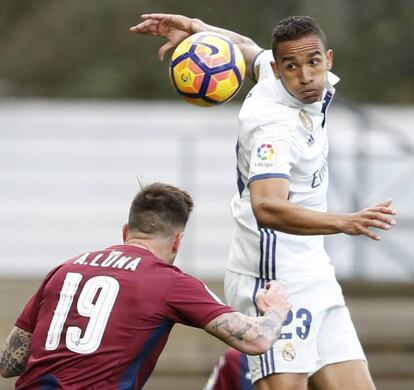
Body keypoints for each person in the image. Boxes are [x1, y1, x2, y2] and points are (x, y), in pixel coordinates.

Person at [131, 14, 397, 390]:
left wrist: (195, 28)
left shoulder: (288, 80)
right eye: (292, 66)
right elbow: (267, 208)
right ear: (279, 69)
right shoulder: (272, 129)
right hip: (272, 282)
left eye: (313, 62)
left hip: (314, 272)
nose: (305, 75)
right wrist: (344, 222)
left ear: (328, 59)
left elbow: (245, 46)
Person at [0, 183, 291, 389]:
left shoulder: (64, 270)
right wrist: (275, 311)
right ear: (177, 241)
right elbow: (257, 340)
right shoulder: (169, 281)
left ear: (125, 231)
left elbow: (8, 364)